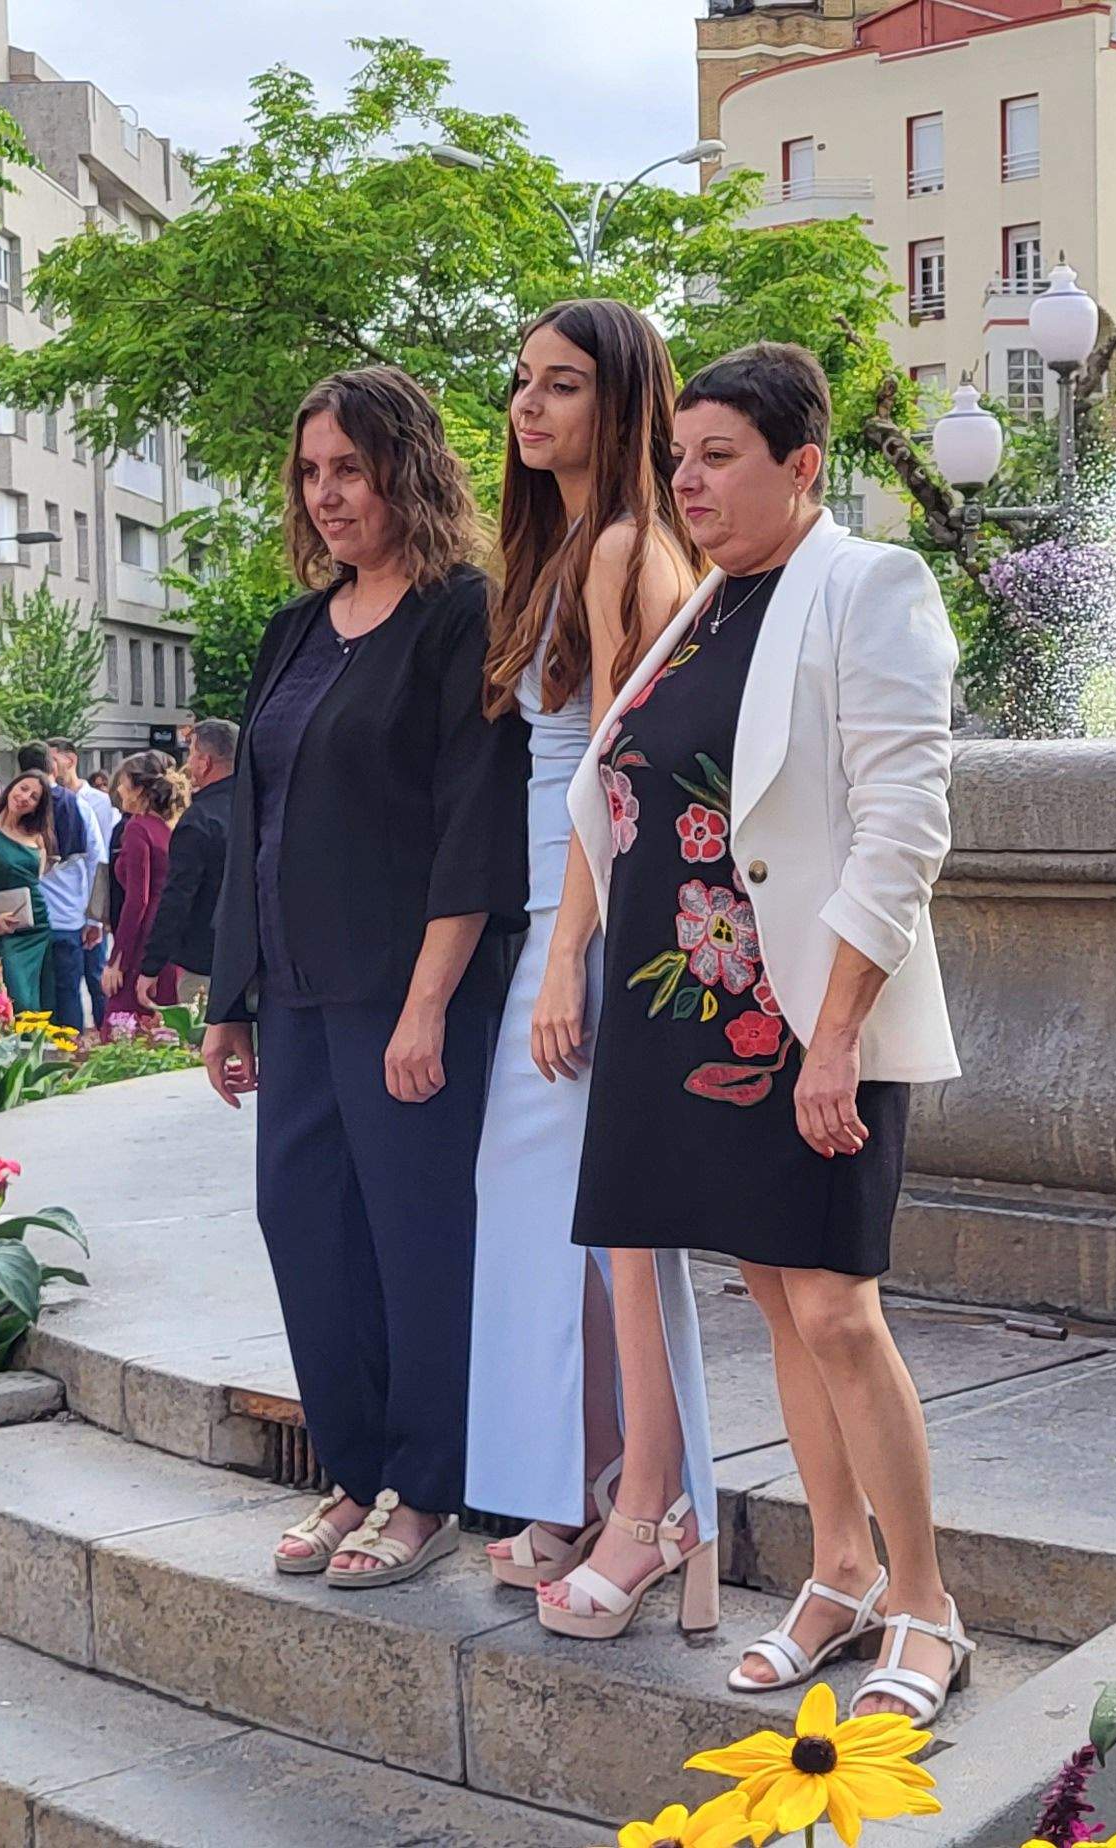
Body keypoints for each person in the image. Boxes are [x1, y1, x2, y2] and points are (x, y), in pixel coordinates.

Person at [562, 343, 968, 1717]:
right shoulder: (712, 606)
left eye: (719, 455)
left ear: (804, 465)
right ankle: (839, 1570)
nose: (688, 478)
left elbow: (905, 824)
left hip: (802, 1004)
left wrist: (839, 1032)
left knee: (841, 1308)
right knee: (776, 1300)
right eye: (681, 456)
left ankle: (927, 1601)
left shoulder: (866, 585)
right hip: (689, 1009)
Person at [202, 364, 523, 1590]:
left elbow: (471, 821)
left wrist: (430, 1002)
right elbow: (252, 821)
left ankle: (427, 1487)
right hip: (293, 989)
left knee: (417, 1239)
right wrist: (230, 998)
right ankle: (351, 1472)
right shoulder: (295, 628)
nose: (328, 494)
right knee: (308, 1227)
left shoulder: (459, 612)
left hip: (407, 994)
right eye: (312, 472)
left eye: (351, 468)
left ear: (407, 467)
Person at [454, 301, 721, 1640]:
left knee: (613, 1228)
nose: (530, 406)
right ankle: (586, 1479)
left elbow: (623, 776)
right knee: (556, 1217)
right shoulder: (564, 549)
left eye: (562, 385)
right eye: (521, 383)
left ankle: (654, 1511)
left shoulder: (626, 548)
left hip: (594, 915)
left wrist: (569, 958)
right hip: (554, 912)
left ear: (623, 406)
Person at [151, 721, 236, 1011]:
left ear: (205, 761)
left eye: (191, 753)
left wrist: (152, 965)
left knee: (205, 1049)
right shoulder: (262, 807)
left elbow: (178, 894)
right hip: (262, 955)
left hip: (206, 957)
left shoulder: (199, 820)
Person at [96, 751, 187, 1022]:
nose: (119, 790)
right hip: (170, 932)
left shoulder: (138, 828)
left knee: (125, 1019)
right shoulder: (169, 825)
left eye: (123, 783)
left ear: (139, 789)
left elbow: (138, 899)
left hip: (143, 936)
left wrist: (118, 960)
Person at [0, 769, 57, 1017]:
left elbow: (36, 879)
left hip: (37, 924)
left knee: (43, 1000)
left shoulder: (36, 835)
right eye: (23, 788)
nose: (25, 797)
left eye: (35, 796)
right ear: (11, 787)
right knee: (17, 1001)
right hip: (3, 927)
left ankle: (39, 1053)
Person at [38, 740, 115, 1033]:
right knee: (59, 986)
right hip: (59, 911)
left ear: (68, 761)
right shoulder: (44, 800)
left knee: (91, 978)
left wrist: (96, 914)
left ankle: (102, 1036)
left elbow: (100, 858)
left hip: (78, 907)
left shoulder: (92, 802)